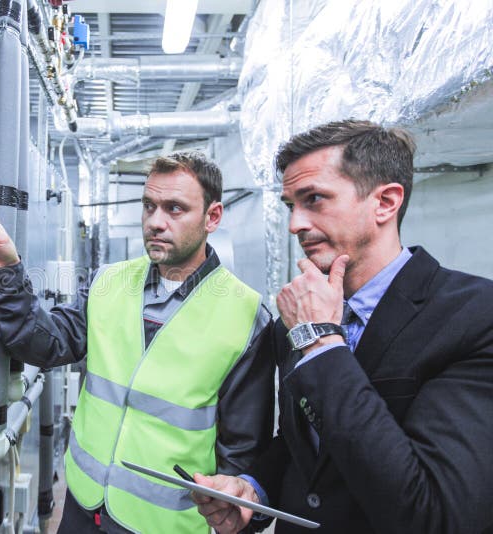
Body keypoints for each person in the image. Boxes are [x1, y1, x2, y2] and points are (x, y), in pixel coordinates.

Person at [0, 151, 274, 533]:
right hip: (83, 509)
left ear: (212, 217)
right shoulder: (108, 282)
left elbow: (243, 462)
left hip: (163, 525)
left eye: (174, 209)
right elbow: (42, 345)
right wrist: (6, 270)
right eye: (149, 206)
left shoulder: (246, 316)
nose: (155, 222)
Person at [192, 120, 493, 534]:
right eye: (290, 206)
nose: (295, 224)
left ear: (385, 202)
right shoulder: (295, 323)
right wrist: (253, 490)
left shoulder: (474, 316)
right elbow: (306, 448)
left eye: (314, 199)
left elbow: (435, 514)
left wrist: (321, 343)